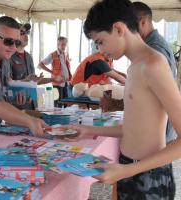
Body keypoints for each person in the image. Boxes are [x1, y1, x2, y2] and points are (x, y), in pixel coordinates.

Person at [60, 0, 180, 199]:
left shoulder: (154, 64)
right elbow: (134, 127)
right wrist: (89, 130)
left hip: (148, 174)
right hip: (128, 167)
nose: (100, 49)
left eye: (100, 41)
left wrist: (127, 171)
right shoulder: (134, 66)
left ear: (118, 28)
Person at [133, 1, 178, 144]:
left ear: (143, 22)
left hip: (159, 136)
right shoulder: (150, 46)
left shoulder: (155, 51)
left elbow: (155, 99)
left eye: (130, 28)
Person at [38, 36, 72, 101]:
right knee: (58, 103)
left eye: (65, 44)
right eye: (62, 44)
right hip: (57, 83)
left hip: (65, 82)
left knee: (66, 102)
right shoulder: (52, 55)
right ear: (58, 45)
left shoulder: (65, 54)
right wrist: (51, 72)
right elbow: (40, 64)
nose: (64, 46)